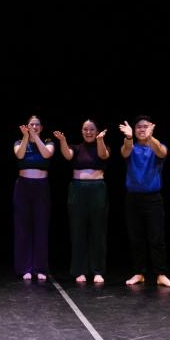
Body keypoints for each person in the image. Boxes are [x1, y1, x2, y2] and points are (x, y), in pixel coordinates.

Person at [120, 116, 170, 288]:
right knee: (136, 237)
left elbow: (161, 152)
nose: (142, 129)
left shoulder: (157, 146)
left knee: (156, 238)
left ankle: (161, 274)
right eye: (139, 127)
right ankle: (139, 273)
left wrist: (151, 137)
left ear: (152, 128)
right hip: (133, 198)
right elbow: (125, 151)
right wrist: (129, 137)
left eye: (146, 126)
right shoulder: (131, 146)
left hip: (153, 199)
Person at [56, 119, 109, 283]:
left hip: (98, 189)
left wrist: (100, 140)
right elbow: (67, 155)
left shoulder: (103, 145)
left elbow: (103, 155)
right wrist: (63, 141)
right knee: (78, 231)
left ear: (97, 131)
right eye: (85, 129)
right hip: (77, 189)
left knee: (98, 231)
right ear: (81, 131)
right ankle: (79, 270)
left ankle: (98, 270)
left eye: (92, 129)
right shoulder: (76, 148)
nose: (88, 132)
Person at [13, 116, 53, 281]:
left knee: (41, 227)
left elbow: (47, 154)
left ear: (41, 127)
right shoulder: (19, 142)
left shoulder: (48, 142)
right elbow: (20, 155)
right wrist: (25, 137)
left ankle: (40, 268)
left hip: (41, 187)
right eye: (31, 124)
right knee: (23, 227)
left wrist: (34, 136)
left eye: (37, 125)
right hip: (23, 186)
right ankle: (25, 268)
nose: (34, 127)